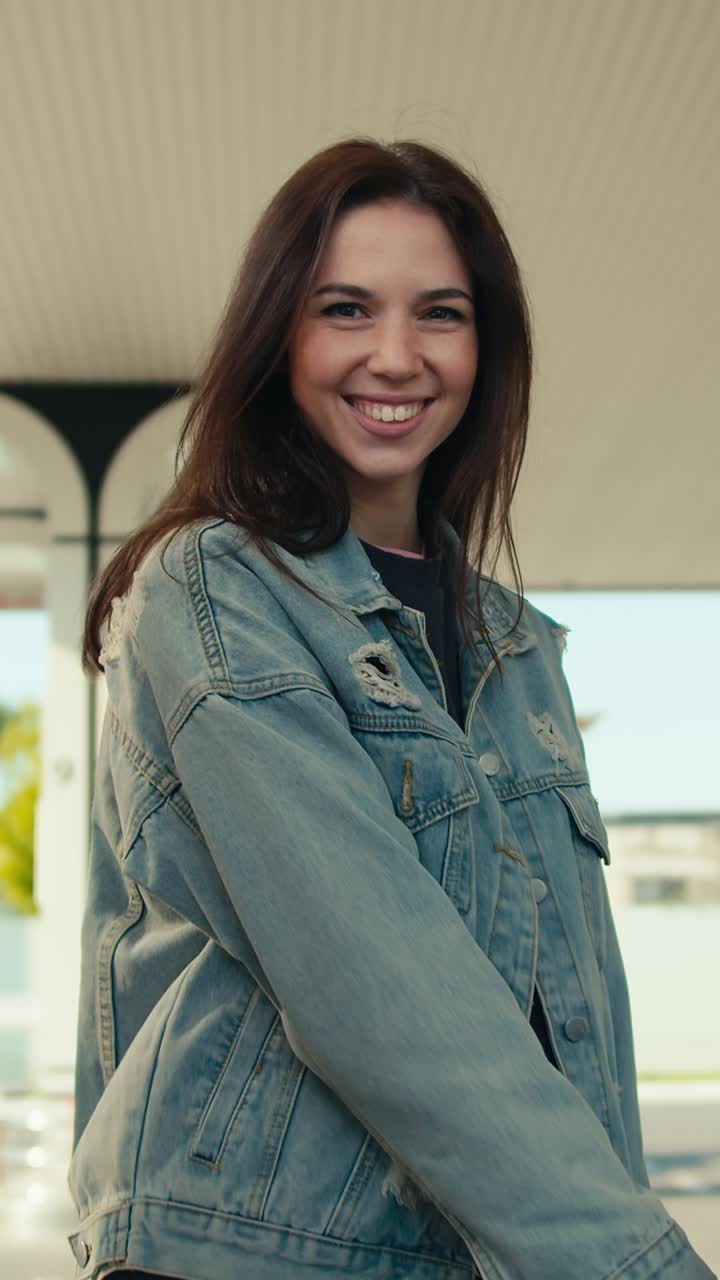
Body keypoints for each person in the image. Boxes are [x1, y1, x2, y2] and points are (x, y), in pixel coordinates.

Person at [68, 137, 715, 1280]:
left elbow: (577, 1023)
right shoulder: (213, 588)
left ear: (488, 347)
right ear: (281, 335)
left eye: (443, 314)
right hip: (253, 1251)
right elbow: (376, 982)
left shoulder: (516, 643)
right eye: (347, 308)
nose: (397, 355)